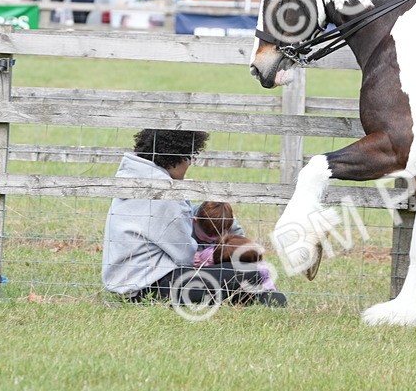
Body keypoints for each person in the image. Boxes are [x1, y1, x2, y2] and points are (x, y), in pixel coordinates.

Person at [102, 128, 285, 307]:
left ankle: (250, 299)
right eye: (190, 158)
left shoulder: (135, 180)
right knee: (251, 273)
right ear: (177, 158)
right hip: (149, 286)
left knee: (234, 272)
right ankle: (254, 297)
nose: (189, 164)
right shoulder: (165, 195)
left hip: (131, 279)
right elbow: (185, 256)